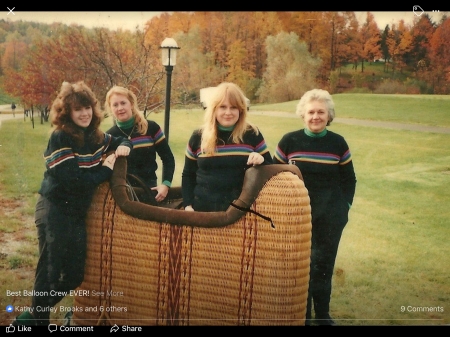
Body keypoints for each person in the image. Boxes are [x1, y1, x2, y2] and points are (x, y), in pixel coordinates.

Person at [11, 81, 132, 326]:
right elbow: (74, 181)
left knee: (75, 274)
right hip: (54, 210)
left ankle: (30, 318)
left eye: (87, 107)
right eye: (78, 109)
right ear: (68, 113)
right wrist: (106, 170)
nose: (84, 113)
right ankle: (37, 320)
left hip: (76, 214)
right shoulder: (60, 137)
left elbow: (120, 138)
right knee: (50, 273)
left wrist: (124, 146)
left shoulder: (95, 136)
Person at [273, 89, 356, 326]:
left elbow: (349, 179)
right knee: (300, 267)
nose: (315, 117)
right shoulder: (289, 141)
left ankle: (322, 315)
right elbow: (273, 176)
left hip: (330, 216)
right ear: (302, 115)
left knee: (323, 264)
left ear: (329, 115)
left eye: (321, 112)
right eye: (311, 112)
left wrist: (344, 208)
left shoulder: (338, 143)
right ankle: (303, 316)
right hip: (297, 217)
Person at [182, 82, 272, 212]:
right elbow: (188, 175)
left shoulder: (252, 133)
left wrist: (261, 160)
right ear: (214, 109)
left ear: (241, 110)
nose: (228, 112)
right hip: (203, 211)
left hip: (242, 213)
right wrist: (188, 205)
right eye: (222, 107)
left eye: (233, 107)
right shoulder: (198, 136)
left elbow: (271, 169)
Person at [105, 86, 175, 203]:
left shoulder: (151, 128)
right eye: (115, 105)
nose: (120, 108)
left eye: (123, 103)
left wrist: (166, 184)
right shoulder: (110, 136)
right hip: (124, 196)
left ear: (131, 104)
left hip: (149, 191)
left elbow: (168, 158)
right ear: (110, 108)